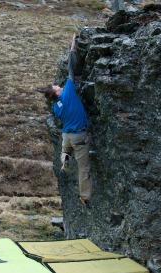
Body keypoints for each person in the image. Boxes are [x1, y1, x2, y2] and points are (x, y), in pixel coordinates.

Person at [37, 34, 93, 206]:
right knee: (84, 168)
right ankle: (85, 197)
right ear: (57, 93)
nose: (59, 85)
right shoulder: (68, 91)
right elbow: (71, 68)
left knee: (66, 148)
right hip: (78, 135)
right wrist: (72, 48)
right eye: (56, 87)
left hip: (67, 135)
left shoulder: (56, 107)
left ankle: (65, 159)